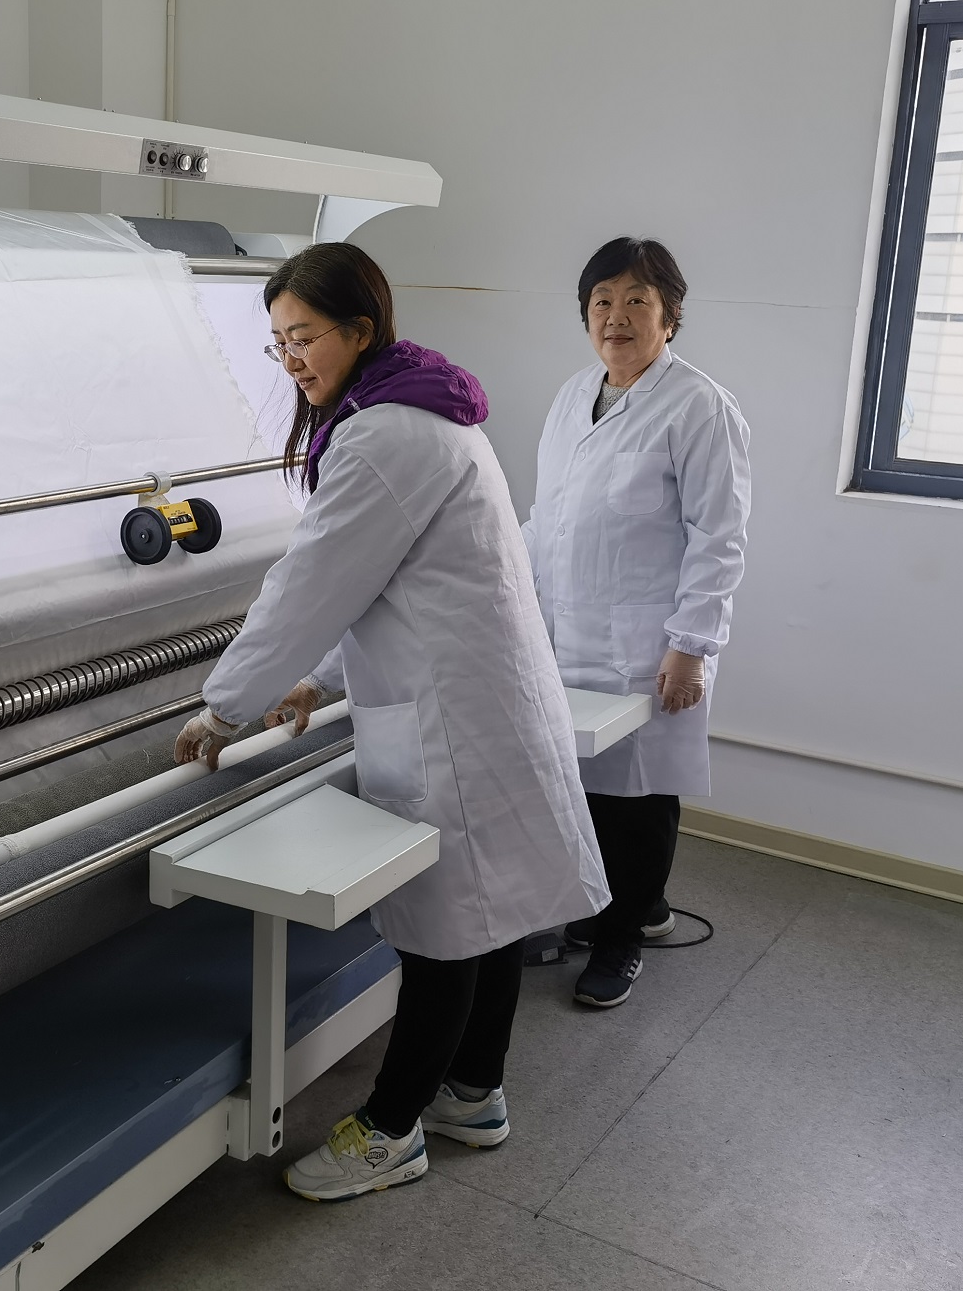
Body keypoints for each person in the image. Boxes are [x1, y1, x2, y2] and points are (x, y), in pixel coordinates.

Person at [174, 242, 608, 1203]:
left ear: (361, 329)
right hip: (482, 696)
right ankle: (474, 1092)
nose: (292, 358)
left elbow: (316, 579)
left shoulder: (382, 437)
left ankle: (390, 1128)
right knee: (492, 913)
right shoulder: (422, 412)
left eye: (306, 336)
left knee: (448, 928)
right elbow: (395, 581)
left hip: (457, 714)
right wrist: (315, 679)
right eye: (279, 341)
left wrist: (227, 702)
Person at [524, 237, 750, 1010]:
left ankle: (623, 938)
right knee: (582, 785)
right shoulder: (572, 396)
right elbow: (547, 517)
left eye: (636, 301)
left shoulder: (699, 406)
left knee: (640, 796)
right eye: (602, 301)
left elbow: (720, 537)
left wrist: (691, 646)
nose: (615, 317)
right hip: (567, 631)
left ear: (670, 315)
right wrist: (505, 583)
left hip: (647, 642)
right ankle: (622, 907)